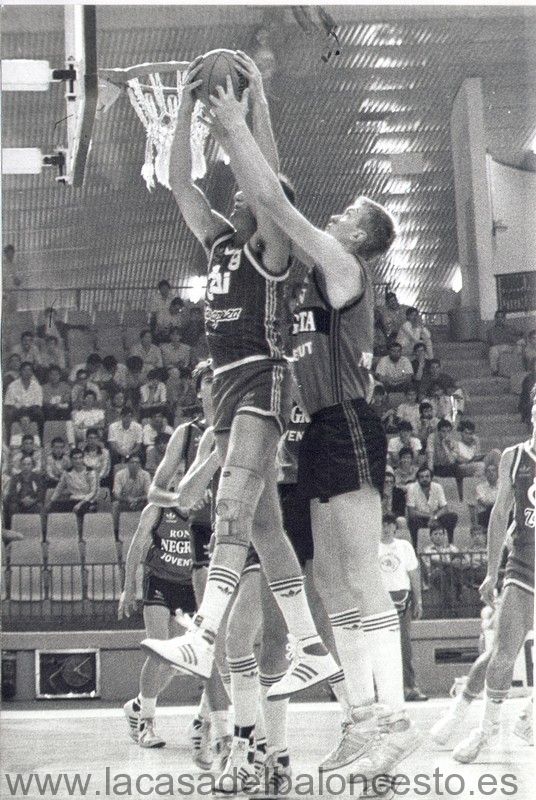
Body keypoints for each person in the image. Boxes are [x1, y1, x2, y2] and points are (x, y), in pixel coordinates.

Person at [201, 67, 419, 779]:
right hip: (315, 433)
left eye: (345, 212)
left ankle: (391, 721)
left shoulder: (344, 264)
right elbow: (272, 203)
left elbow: (275, 203)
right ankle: (361, 720)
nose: (332, 217)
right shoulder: (310, 273)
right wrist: (258, 105)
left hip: (349, 421)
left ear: (360, 234)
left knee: (358, 575)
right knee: (328, 582)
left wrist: (237, 122)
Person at [142, 54, 337, 787]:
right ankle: (313, 647)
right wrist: (187, 121)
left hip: (260, 377)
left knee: (233, 505)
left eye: (255, 189)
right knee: (260, 527)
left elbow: (267, 174)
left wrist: (253, 106)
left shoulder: (272, 245)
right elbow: (178, 184)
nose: (242, 190)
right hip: (225, 389)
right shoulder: (222, 242)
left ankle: (200, 640)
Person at [451, 393, 536, 763]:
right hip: (522, 564)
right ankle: (484, 730)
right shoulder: (514, 457)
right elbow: (500, 515)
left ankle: (529, 715)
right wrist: (490, 573)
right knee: (502, 654)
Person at [379, 513, 427, 702]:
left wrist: (418, 600)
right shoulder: (372, 548)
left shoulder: (404, 546)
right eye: (383, 524)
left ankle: (409, 687)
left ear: (395, 527)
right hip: (380, 601)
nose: (386, 528)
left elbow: (414, 573)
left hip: (402, 598)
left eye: (389, 524)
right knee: (380, 647)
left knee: (404, 646)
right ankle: (381, 691)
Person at [406, 465, 459, 547]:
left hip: (436, 518)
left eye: (427, 476)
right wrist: (430, 516)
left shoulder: (437, 487)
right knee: (413, 521)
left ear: (431, 477)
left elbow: (445, 508)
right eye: (422, 477)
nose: (424, 479)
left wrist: (435, 517)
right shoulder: (412, 488)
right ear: (418, 479)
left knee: (452, 517)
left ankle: (450, 545)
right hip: (421, 518)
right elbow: (411, 512)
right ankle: (415, 548)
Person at [46, 448, 98, 530]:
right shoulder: (67, 472)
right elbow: (59, 489)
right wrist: (51, 501)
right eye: (75, 458)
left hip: (87, 501)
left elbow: (93, 492)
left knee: (81, 510)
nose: (78, 461)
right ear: (71, 460)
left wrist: (80, 504)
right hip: (73, 501)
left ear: (83, 459)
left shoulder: (91, 472)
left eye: (80, 458)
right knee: (53, 508)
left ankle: (82, 536)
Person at [112, 454, 151, 533]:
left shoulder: (146, 475)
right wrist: (127, 499)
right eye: (132, 462)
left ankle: (147, 531)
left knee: (150, 504)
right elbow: (116, 494)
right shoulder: (119, 475)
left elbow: (149, 494)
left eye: (137, 463)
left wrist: (137, 499)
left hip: (140, 502)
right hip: (124, 502)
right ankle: (115, 532)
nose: (135, 465)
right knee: (115, 505)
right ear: (127, 464)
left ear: (140, 465)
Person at [4, 454, 46, 529]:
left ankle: (41, 534)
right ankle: (12, 532)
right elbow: (12, 493)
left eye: (28, 464)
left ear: (32, 466)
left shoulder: (37, 478)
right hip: (19, 503)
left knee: (40, 507)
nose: (26, 467)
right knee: (12, 507)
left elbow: (41, 493)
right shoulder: (15, 478)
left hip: (33, 503)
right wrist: (21, 501)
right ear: (20, 466)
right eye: (24, 464)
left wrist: (33, 501)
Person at [4, 361, 43, 431]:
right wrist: (21, 409)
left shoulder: (37, 386)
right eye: (24, 370)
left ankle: (40, 438)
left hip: (31, 411)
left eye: (29, 370)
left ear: (32, 373)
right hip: (17, 411)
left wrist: (27, 410)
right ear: (20, 372)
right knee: (9, 414)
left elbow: (38, 404)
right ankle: (8, 439)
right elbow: (9, 403)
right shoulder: (12, 385)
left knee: (40, 414)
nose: (27, 372)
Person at [486, 310, 523, 375]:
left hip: (511, 346)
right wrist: (511, 338)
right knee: (493, 350)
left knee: (520, 345)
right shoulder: (491, 331)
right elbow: (493, 342)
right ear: (495, 318)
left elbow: (521, 333)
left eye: (502, 317)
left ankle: (517, 370)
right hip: (499, 348)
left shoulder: (510, 328)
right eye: (498, 317)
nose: (500, 319)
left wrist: (514, 339)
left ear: (504, 318)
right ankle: (495, 371)